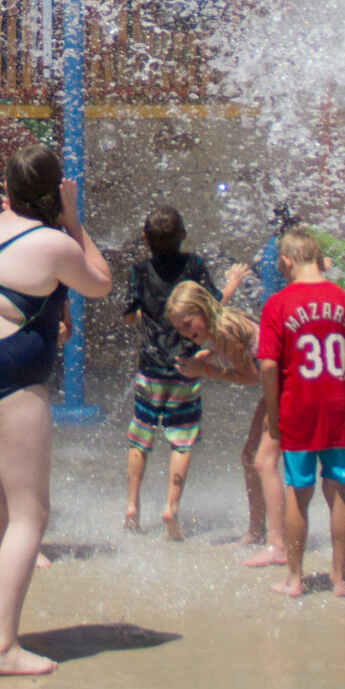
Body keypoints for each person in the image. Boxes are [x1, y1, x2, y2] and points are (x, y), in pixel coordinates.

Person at [0, 143, 111, 677]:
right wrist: (75, 221)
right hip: (10, 377)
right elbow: (101, 283)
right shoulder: (54, 243)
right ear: (52, 190)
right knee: (29, 514)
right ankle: (4, 648)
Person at [255, 225, 345, 600]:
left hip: (298, 407)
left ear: (286, 261)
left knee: (298, 492)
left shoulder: (278, 304)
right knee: (338, 490)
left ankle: (295, 579)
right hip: (339, 407)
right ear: (318, 257)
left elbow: (268, 365)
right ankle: (338, 579)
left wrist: (272, 411)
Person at [165, 279, 285, 562]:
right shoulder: (221, 323)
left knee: (261, 462)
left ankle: (276, 543)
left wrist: (205, 369)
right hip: (277, 385)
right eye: (180, 328)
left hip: (283, 387)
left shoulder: (224, 331)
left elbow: (250, 377)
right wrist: (208, 356)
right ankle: (256, 532)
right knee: (249, 457)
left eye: (188, 324)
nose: (186, 332)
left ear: (202, 310)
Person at [122, 206, 216, 539]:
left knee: (141, 436)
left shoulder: (139, 271)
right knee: (181, 441)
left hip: (150, 370)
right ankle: (170, 508)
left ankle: (132, 506)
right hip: (186, 369)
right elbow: (213, 306)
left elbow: (129, 316)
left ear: (145, 238)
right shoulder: (195, 266)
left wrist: (143, 316)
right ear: (184, 235)